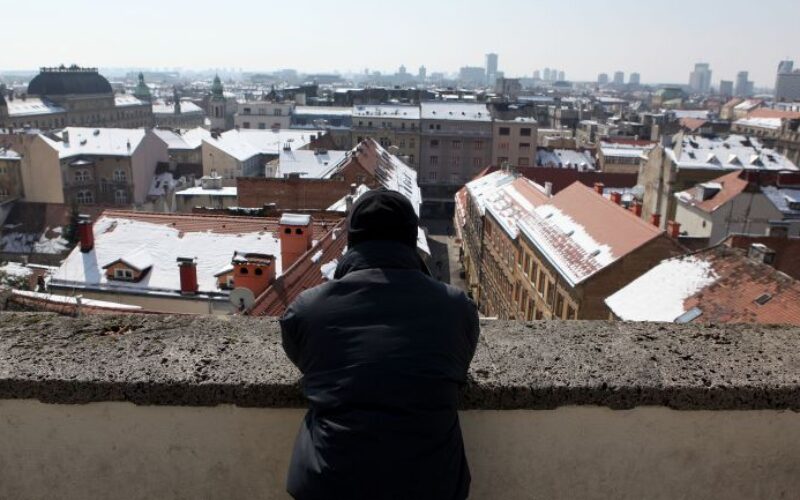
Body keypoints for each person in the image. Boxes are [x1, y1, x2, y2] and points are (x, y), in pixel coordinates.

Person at [280, 189, 480, 500]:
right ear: (411, 239)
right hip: (429, 485)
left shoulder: (307, 310)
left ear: (352, 241)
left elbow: (305, 358)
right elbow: (457, 364)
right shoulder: (457, 309)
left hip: (332, 484)